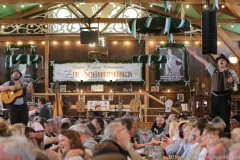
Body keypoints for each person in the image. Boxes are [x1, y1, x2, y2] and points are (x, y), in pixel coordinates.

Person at [188, 49, 239, 133]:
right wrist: (194, 55)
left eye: (223, 60)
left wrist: (232, 79)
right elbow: (204, 62)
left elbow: (237, 79)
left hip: (225, 98)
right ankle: (214, 134)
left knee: (224, 117)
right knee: (214, 117)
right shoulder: (213, 71)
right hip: (215, 97)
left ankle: (224, 135)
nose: (221, 61)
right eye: (219, 60)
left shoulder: (230, 72)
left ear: (226, 63)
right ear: (218, 63)